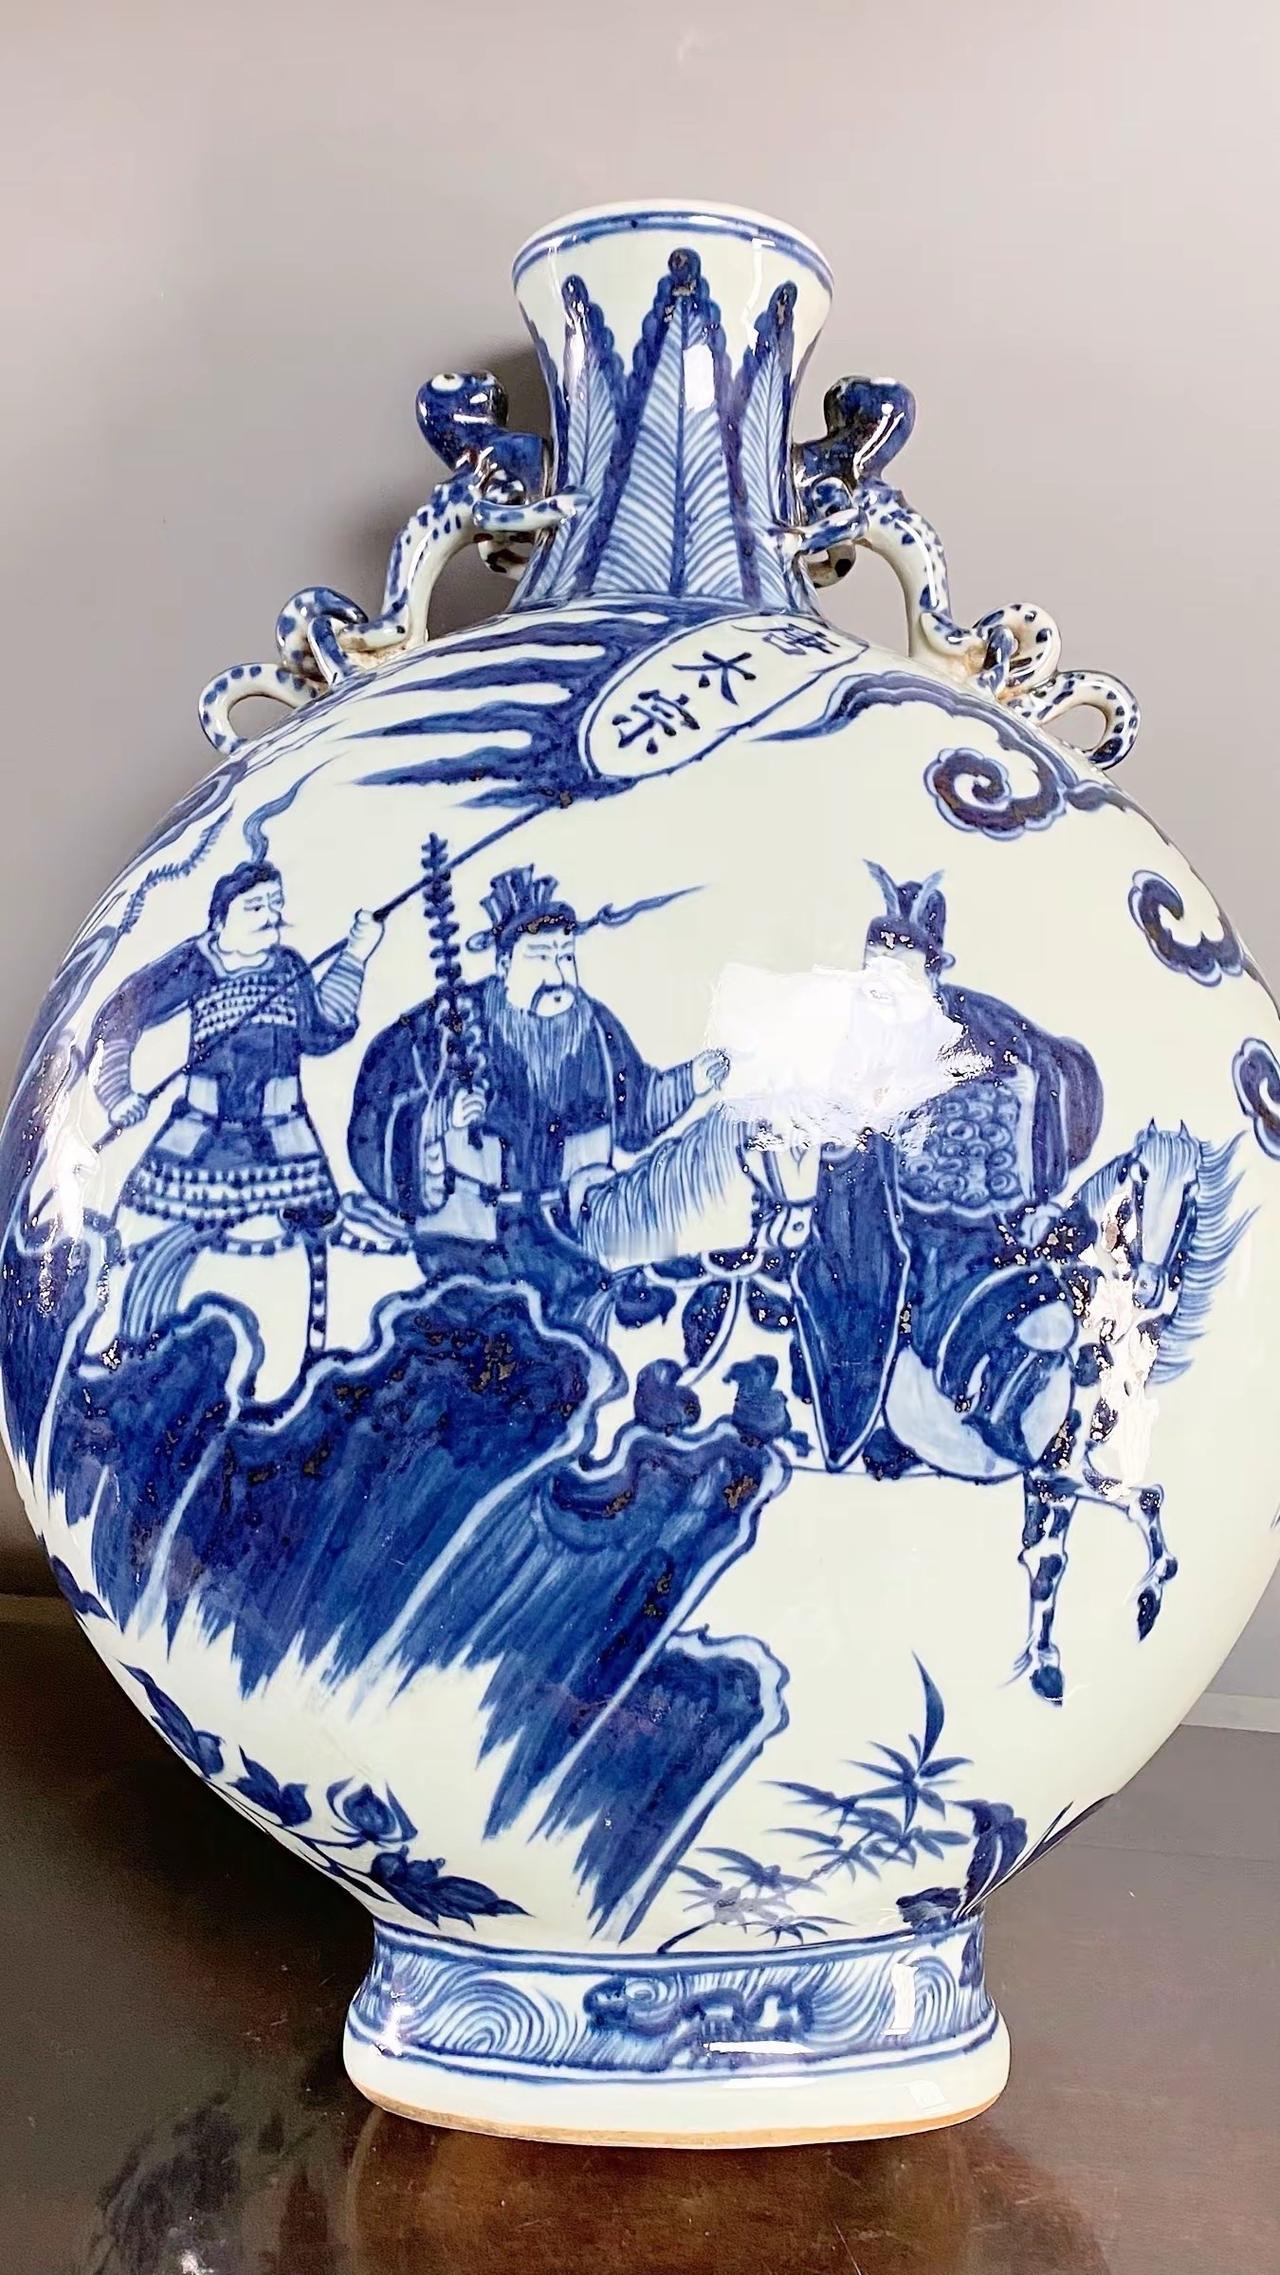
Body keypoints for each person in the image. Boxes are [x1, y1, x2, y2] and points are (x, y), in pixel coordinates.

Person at [793, 867, 1103, 1468]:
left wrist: (1041, 1188)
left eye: (903, 971)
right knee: (891, 1303)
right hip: (902, 1236)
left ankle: (1017, 1391)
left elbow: (1062, 1075)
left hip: (993, 1228)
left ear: (932, 971)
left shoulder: (984, 1028)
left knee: (1042, 1312)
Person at [348, 865, 737, 1285]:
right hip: (470, 1245)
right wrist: (440, 1118)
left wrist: (691, 1081)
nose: (558, 976)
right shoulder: (444, 1026)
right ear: (503, 964)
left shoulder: (594, 1028)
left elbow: (635, 1110)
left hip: (566, 1235)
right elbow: (375, 1115)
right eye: (539, 957)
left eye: (565, 956)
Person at [86, 860, 383, 1379]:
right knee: (142, 1230)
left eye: (275, 904)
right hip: (202, 1135)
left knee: (312, 1242)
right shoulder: (197, 964)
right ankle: (128, 1347)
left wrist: (355, 955)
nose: (271, 915)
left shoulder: (287, 967)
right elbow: (120, 1015)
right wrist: (117, 1095)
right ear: (220, 918)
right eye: (255, 906)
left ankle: (300, 1364)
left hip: (283, 1136)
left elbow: (322, 1032)